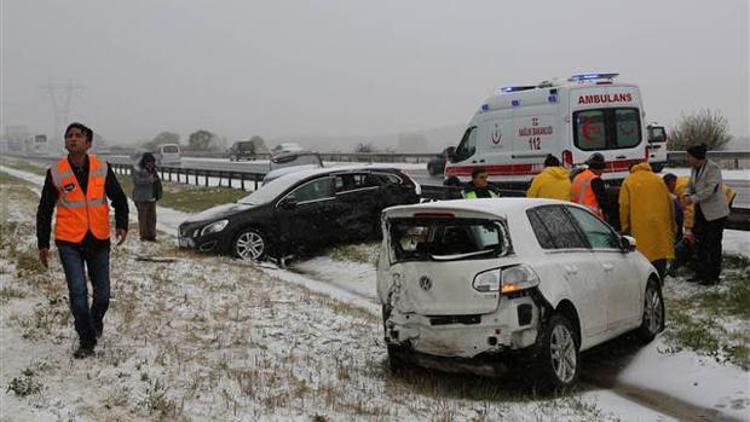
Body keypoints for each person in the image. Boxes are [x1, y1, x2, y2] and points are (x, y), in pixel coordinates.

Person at [36, 122, 129, 358]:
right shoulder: (56, 171)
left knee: (103, 295)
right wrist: (43, 243)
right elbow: (45, 209)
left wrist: (122, 223)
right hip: (69, 241)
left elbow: (118, 198)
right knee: (77, 292)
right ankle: (86, 340)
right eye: (69, 136)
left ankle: (94, 321)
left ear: (88, 143)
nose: (73, 139)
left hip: (98, 239)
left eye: (79, 136)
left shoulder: (102, 167)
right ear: (66, 142)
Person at [619, 162, 675, 279]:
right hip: (660, 223)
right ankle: (660, 277)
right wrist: (672, 224)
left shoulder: (629, 181)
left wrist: (625, 226)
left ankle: (647, 280)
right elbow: (670, 202)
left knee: (644, 254)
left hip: (640, 225)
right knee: (660, 252)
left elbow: (624, 206)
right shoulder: (658, 179)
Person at [683, 143, 729, 285]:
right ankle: (701, 272)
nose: (687, 159)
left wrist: (692, 199)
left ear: (698, 157)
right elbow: (690, 185)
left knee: (713, 244)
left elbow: (710, 190)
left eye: (689, 156)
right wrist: (686, 194)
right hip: (701, 212)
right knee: (700, 243)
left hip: (715, 214)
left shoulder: (713, 169)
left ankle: (713, 275)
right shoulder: (694, 169)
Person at [131, 152, 162, 241]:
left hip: (152, 197)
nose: (151, 164)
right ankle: (144, 236)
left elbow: (156, 181)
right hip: (141, 198)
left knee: (152, 218)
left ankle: (152, 235)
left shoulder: (153, 170)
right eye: (149, 163)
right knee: (143, 218)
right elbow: (136, 181)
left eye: (152, 163)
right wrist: (148, 180)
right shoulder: (137, 169)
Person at [571, 153, 608, 220]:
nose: (602, 173)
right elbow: (603, 201)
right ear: (600, 169)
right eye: (602, 170)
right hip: (591, 217)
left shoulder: (577, 177)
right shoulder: (595, 179)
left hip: (576, 215)